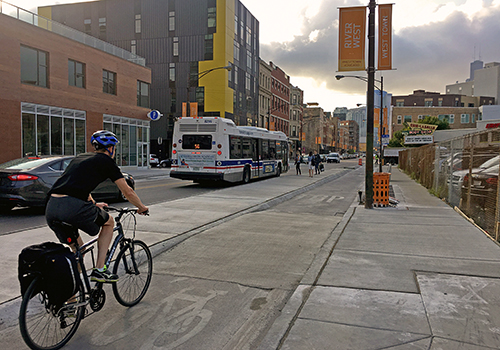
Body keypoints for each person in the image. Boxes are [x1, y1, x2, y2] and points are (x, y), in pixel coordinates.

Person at [46, 130, 149, 283]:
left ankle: (69, 296)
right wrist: (141, 207)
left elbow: (76, 185)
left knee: (79, 250)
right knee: (109, 222)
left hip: (52, 208)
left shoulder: (80, 158)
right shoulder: (106, 162)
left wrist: (94, 204)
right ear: (111, 148)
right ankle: (100, 270)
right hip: (73, 207)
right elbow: (127, 191)